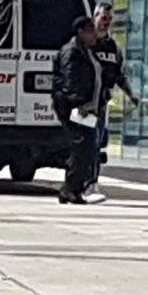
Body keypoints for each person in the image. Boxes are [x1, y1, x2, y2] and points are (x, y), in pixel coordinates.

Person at [86, 3, 137, 201]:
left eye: (109, 19)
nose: (105, 22)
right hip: (82, 103)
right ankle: (78, 183)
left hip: (99, 104)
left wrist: (131, 95)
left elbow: (119, 75)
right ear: (94, 18)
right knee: (83, 144)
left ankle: (92, 183)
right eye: (102, 17)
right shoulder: (85, 44)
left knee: (95, 143)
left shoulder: (113, 48)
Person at [50, 15, 102, 205]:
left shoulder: (85, 51)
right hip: (76, 109)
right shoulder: (71, 52)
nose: (94, 36)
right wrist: (78, 104)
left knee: (86, 146)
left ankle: (73, 188)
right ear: (81, 32)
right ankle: (71, 189)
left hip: (85, 107)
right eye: (91, 31)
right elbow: (70, 81)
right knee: (82, 145)